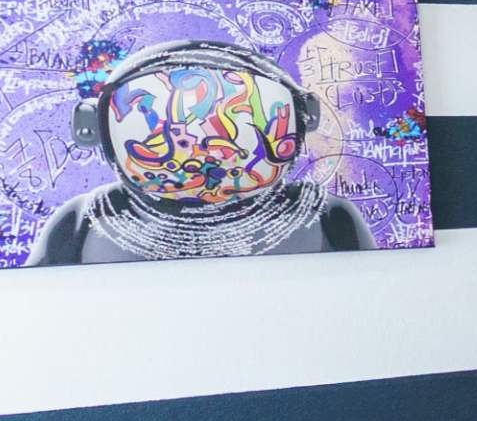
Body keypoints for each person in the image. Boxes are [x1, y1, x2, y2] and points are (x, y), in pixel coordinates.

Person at [30, 38, 376, 263]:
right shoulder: (84, 219)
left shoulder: (326, 215)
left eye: (239, 118)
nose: (205, 145)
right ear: (95, 128)